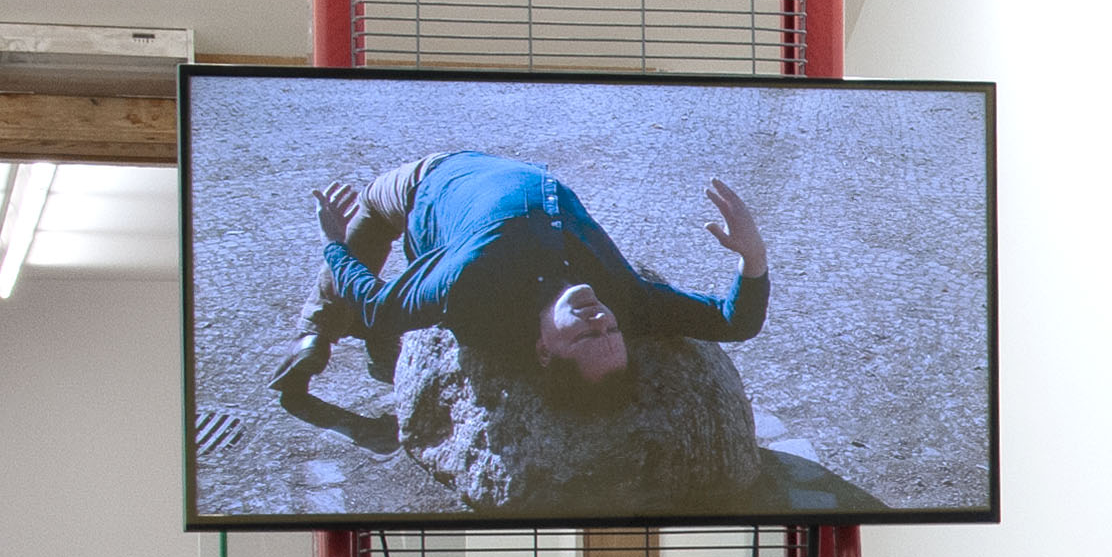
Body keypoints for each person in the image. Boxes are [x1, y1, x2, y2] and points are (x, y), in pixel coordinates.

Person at [274, 155, 768, 449]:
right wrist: (754, 257)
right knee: (398, 312)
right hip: (484, 183)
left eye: (585, 335)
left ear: (543, 351)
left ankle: (314, 332)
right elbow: (735, 321)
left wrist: (333, 243)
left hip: (434, 178)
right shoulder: (625, 299)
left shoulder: (473, 285)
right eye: (612, 331)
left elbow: (377, 305)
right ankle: (363, 348)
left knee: (375, 215)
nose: (599, 317)